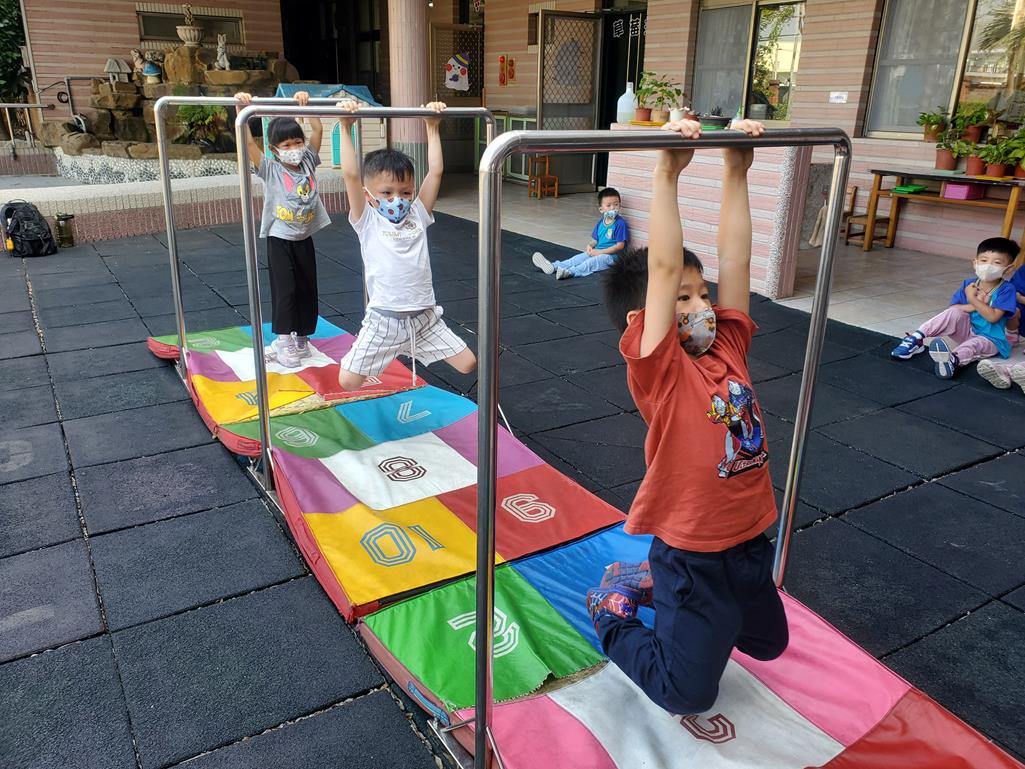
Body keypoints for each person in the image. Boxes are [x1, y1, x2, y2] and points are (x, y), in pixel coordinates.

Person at [587, 118, 787, 716]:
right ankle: (612, 611)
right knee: (687, 694)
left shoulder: (728, 347)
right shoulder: (660, 369)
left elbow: (737, 258)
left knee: (768, 644)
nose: (702, 305)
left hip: (749, 540)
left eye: (704, 295)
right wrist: (666, 174)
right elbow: (664, 271)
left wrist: (737, 171)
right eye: (684, 298)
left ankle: (650, 584)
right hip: (693, 553)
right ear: (646, 319)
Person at [333, 99, 476, 391]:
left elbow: (435, 172)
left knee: (468, 363)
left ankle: (405, 347)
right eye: (386, 192)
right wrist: (345, 127)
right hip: (384, 320)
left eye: (405, 192)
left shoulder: (418, 214)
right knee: (348, 381)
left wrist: (432, 127)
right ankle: (391, 348)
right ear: (368, 195)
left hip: (424, 319)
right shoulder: (367, 219)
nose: (396, 199)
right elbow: (350, 175)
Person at [236, 90, 328, 368]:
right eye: (286, 144)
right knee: (285, 289)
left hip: (304, 237)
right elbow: (247, 142)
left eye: (297, 142)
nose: (294, 148)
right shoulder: (271, 169)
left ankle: (302, 338)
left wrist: (305, 104)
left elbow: (318, 129)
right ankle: (284, 340)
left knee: (307, 288)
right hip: (280, 238)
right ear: (275, 149)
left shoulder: (308, 161)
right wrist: (241, 110)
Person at [890, 237, 1019, 379]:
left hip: (991, 339)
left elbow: (993, 317)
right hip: (967, 331)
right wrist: (975, 303)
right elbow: (955, 307)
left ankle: (953, 360)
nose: (988, 266)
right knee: (954, 312)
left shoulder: (1007, 289)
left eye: (997, 263)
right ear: (975, 262)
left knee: (974, 345)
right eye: (984, 260)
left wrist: (972, 298)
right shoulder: (969, 284)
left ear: (1008, 268)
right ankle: (916, 339)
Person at [531, 188, 629, 280]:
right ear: (601, 209)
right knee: (577, 258)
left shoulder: (620, 223)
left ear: (619, 205)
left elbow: (620, 246)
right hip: (597, 251)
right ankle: (553, 266)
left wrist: (600, 252)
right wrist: (590, 245)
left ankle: (570, 272)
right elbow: (596, 240)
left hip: (611, 257)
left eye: (616, 204)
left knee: (590, 263)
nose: (613, 208)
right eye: (609, 205)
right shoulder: (601, 223)